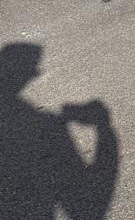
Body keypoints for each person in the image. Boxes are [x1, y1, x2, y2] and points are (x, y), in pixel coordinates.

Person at [0, 43, 119, 219]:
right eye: (32, 67)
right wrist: (103, 126)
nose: (34, 73)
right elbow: (87, 207)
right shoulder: (41, 122)